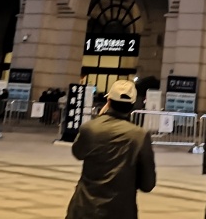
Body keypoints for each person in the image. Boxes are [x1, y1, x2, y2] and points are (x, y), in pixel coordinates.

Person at [65, 79, 156, 219]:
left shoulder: (90, 128)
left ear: (108, 100)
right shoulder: (139, 136)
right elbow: (147, 184)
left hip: (85, 208)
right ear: (132, 105)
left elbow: (78, 152)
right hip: (120, 210)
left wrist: (100, 118)